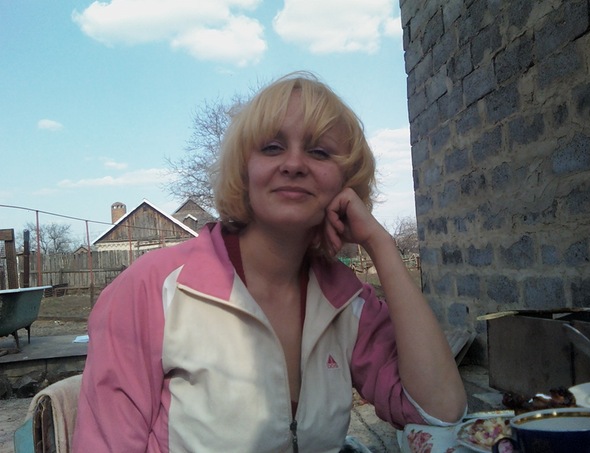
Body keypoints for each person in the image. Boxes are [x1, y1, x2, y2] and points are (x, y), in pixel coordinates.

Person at [73, 72, 467, 452]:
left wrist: (380, 244)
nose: (294, 164)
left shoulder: (348, 303)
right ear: (244, 171)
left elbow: (439, 410)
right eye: (272, 148)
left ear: (345, 181)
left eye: (319, 151)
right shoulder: (152, 289)